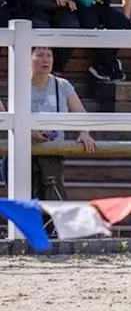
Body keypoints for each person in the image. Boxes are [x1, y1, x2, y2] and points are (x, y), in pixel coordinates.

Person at [29, 46, 96, 199]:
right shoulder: (19, 84)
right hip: (25, 153)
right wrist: (32, 133)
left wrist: (84, 133)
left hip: (53, 153)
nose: (45, 59)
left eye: (49, 55)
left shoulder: (62, 85)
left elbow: (81, 114)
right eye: (39, 55)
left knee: (54, 201)